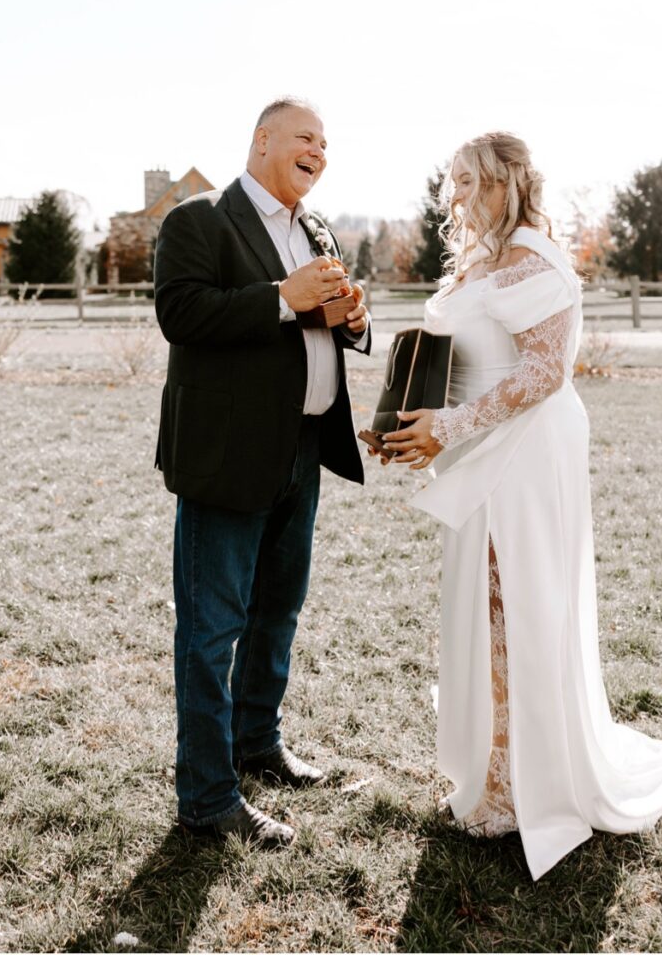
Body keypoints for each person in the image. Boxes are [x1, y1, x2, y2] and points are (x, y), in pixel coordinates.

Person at [376, 132, 662, 872]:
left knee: (517, 605)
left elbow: (541, 374)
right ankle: (492, 768)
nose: (458, 196)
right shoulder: (480, 262)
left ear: (507, 183)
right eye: (454, 183)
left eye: (472, 182)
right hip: (475, 447)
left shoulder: (536, 262)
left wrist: (452, 427)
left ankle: (522, 783)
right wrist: (407, 423)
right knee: (485, 607)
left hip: (526, 453)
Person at [153, 98, 371, 845]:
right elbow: (182, 315)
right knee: (213, 632)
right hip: (226, 458)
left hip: (302, 452)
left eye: (325, 143)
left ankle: (258, 745)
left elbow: (315, 326)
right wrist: (283, 297)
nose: (319, 150)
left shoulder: (316, 230)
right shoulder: (198, 220)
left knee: (277, 613)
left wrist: (351, 318)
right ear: (262, 141)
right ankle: (208, 800)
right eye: (306, 137)